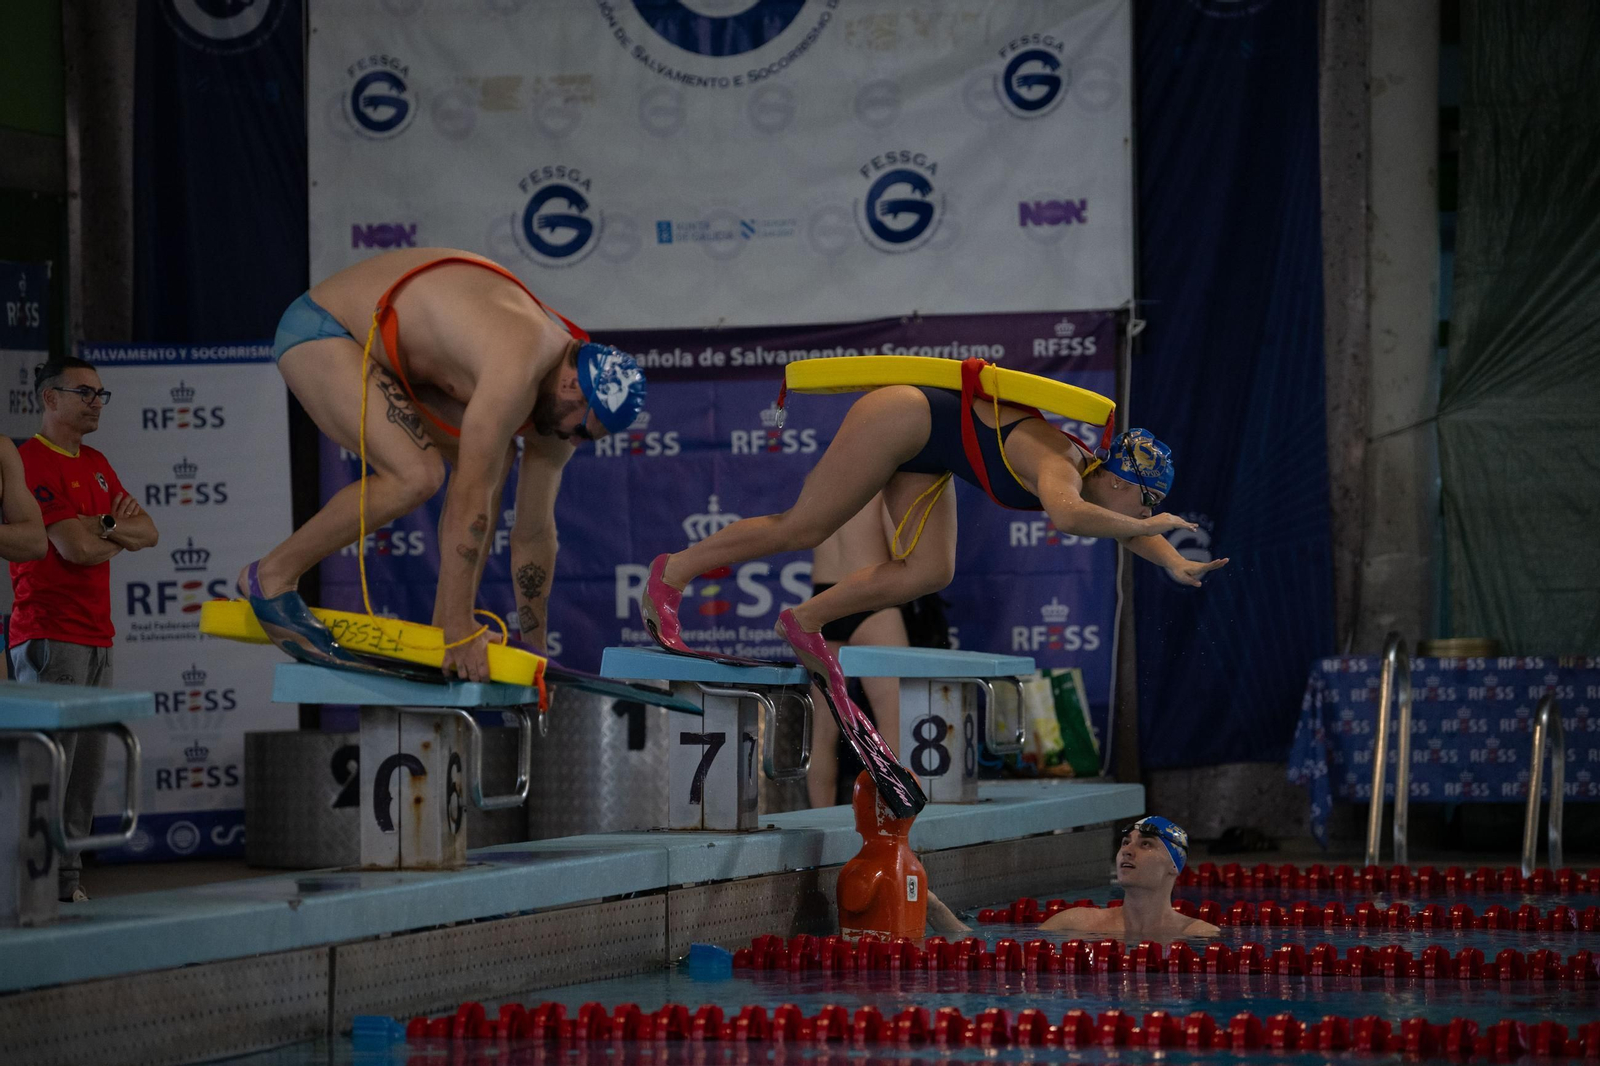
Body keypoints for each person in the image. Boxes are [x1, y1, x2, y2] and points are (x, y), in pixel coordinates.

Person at [640, 377, 1227, 803]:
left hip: (935, 451)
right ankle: (674, 571)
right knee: (805, 526)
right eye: (1147, 501)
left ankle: (806, 619)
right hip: (904, 415)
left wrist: (1170, 556)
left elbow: (1110, 521)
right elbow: (1072, 518)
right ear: (1121, 481)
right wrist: (1149, 528)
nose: (1149, 512)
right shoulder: (1062, 467)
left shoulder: (1098, 485)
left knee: (929, 571)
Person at [242, 248, 646, 681]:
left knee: (498, 458)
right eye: (581, 431)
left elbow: (533, 533)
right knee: (415, 477)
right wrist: (460, 632)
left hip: (390, 354)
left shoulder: (561, 405)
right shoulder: (519, 363)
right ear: (572, 385)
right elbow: (470, 498)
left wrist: (536, 651)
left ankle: (443, 626)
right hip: (325, 330)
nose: (572, 441)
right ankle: (272, 576)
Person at [10, 357, 160, 903]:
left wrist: (104, 528)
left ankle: (66, 884)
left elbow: (151, 530)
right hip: (50, 636)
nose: (97, 402)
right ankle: (29, 883)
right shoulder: (29, 461)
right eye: (85, 393)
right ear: (50, 399)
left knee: (86, 773)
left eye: (101, 394)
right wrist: (112, 531)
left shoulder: (97, 462)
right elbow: (74, 550)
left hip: (98, 636)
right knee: (48, 766)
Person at [807, 493, 950, 808]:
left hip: (824, 602)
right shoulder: (880, 482)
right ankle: (887, 817)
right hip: (869, 597)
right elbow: (902, 553)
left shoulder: (819, 481)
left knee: (823, 734)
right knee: (893, 721)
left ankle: (820, 826)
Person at [926, 816, 1220, 941]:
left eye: (1145, 844)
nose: (1128, 851)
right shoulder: (1074, 923)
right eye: (1126, 843)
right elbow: (983, 954)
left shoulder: (1199, 936)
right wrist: (937, 910)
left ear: (1174, 866)